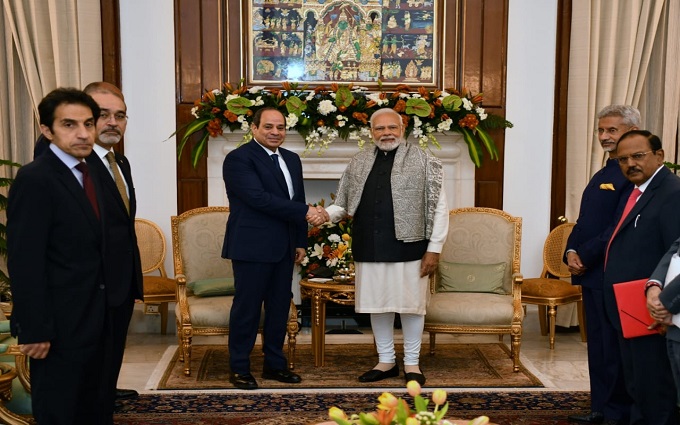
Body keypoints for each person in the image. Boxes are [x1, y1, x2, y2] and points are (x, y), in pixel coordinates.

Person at [321, 108, 448, 385]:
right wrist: (323, 215)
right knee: (378, 305)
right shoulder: (359, 161)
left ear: (403, 130)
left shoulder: (424, 160)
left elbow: (440, 207)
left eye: (392, 127)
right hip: (370, 245)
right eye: (380, 128)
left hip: (411, 247)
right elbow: (343, 203)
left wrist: (435, 248)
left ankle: (412, 363)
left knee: (411, 307)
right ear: (371, 132)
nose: (386, 133)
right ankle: (386, 361)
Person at [7, 87, 108, 423]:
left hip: (96, 320)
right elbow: (25, 260)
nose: (83, 133)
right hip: (57, 326)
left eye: (88, 123)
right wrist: (34, 329)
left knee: (92, 410)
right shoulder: (35, 179)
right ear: (46, 130)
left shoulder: (90, 172)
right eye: (69, 124)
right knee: (59, 412)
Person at [222, 107, 326, 390]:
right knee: (247, 309)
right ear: (254, 128)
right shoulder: (238, 158)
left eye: (280, 127)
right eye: (268, 127)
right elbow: (259, 198)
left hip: (284, 247)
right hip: (252, 247)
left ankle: (274, 364)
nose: (275, 132)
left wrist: (301, 240)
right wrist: (307, 211)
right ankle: (239, 368)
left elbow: (298, 198)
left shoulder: (291, 159)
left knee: (279, 307)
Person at [564, 105, 638, 424]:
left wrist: (586, 255)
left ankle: (615, 414)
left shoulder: (632, 172)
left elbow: (618, 225)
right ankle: (600, 409)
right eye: (601, 130)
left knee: (613, 349)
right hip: (592, 273)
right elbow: (585, 220)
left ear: (631, 132)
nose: (604, 136)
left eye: (612, 130)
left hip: (613, 273)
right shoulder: (607, 169)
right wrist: (570, 249)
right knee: (597, 346)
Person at [603, 130, 680, 425]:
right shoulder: (637, 190)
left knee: (654, 389)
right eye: (623, 159)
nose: (630, 164)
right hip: (630, 308)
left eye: (638, 156)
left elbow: (676, 255)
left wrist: (667, 305)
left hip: (653, 309)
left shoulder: (672, 193)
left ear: (659, 156)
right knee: (637, 384)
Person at [83, 82, 143, 417]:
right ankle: (97, 399)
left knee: (113, 345)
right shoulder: (76, 163)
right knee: (93, 351)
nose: (113, 122)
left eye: (120, 116)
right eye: (103, 114)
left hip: (121, 276)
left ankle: (106, 390)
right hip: (93, 281)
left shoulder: (120, 161)